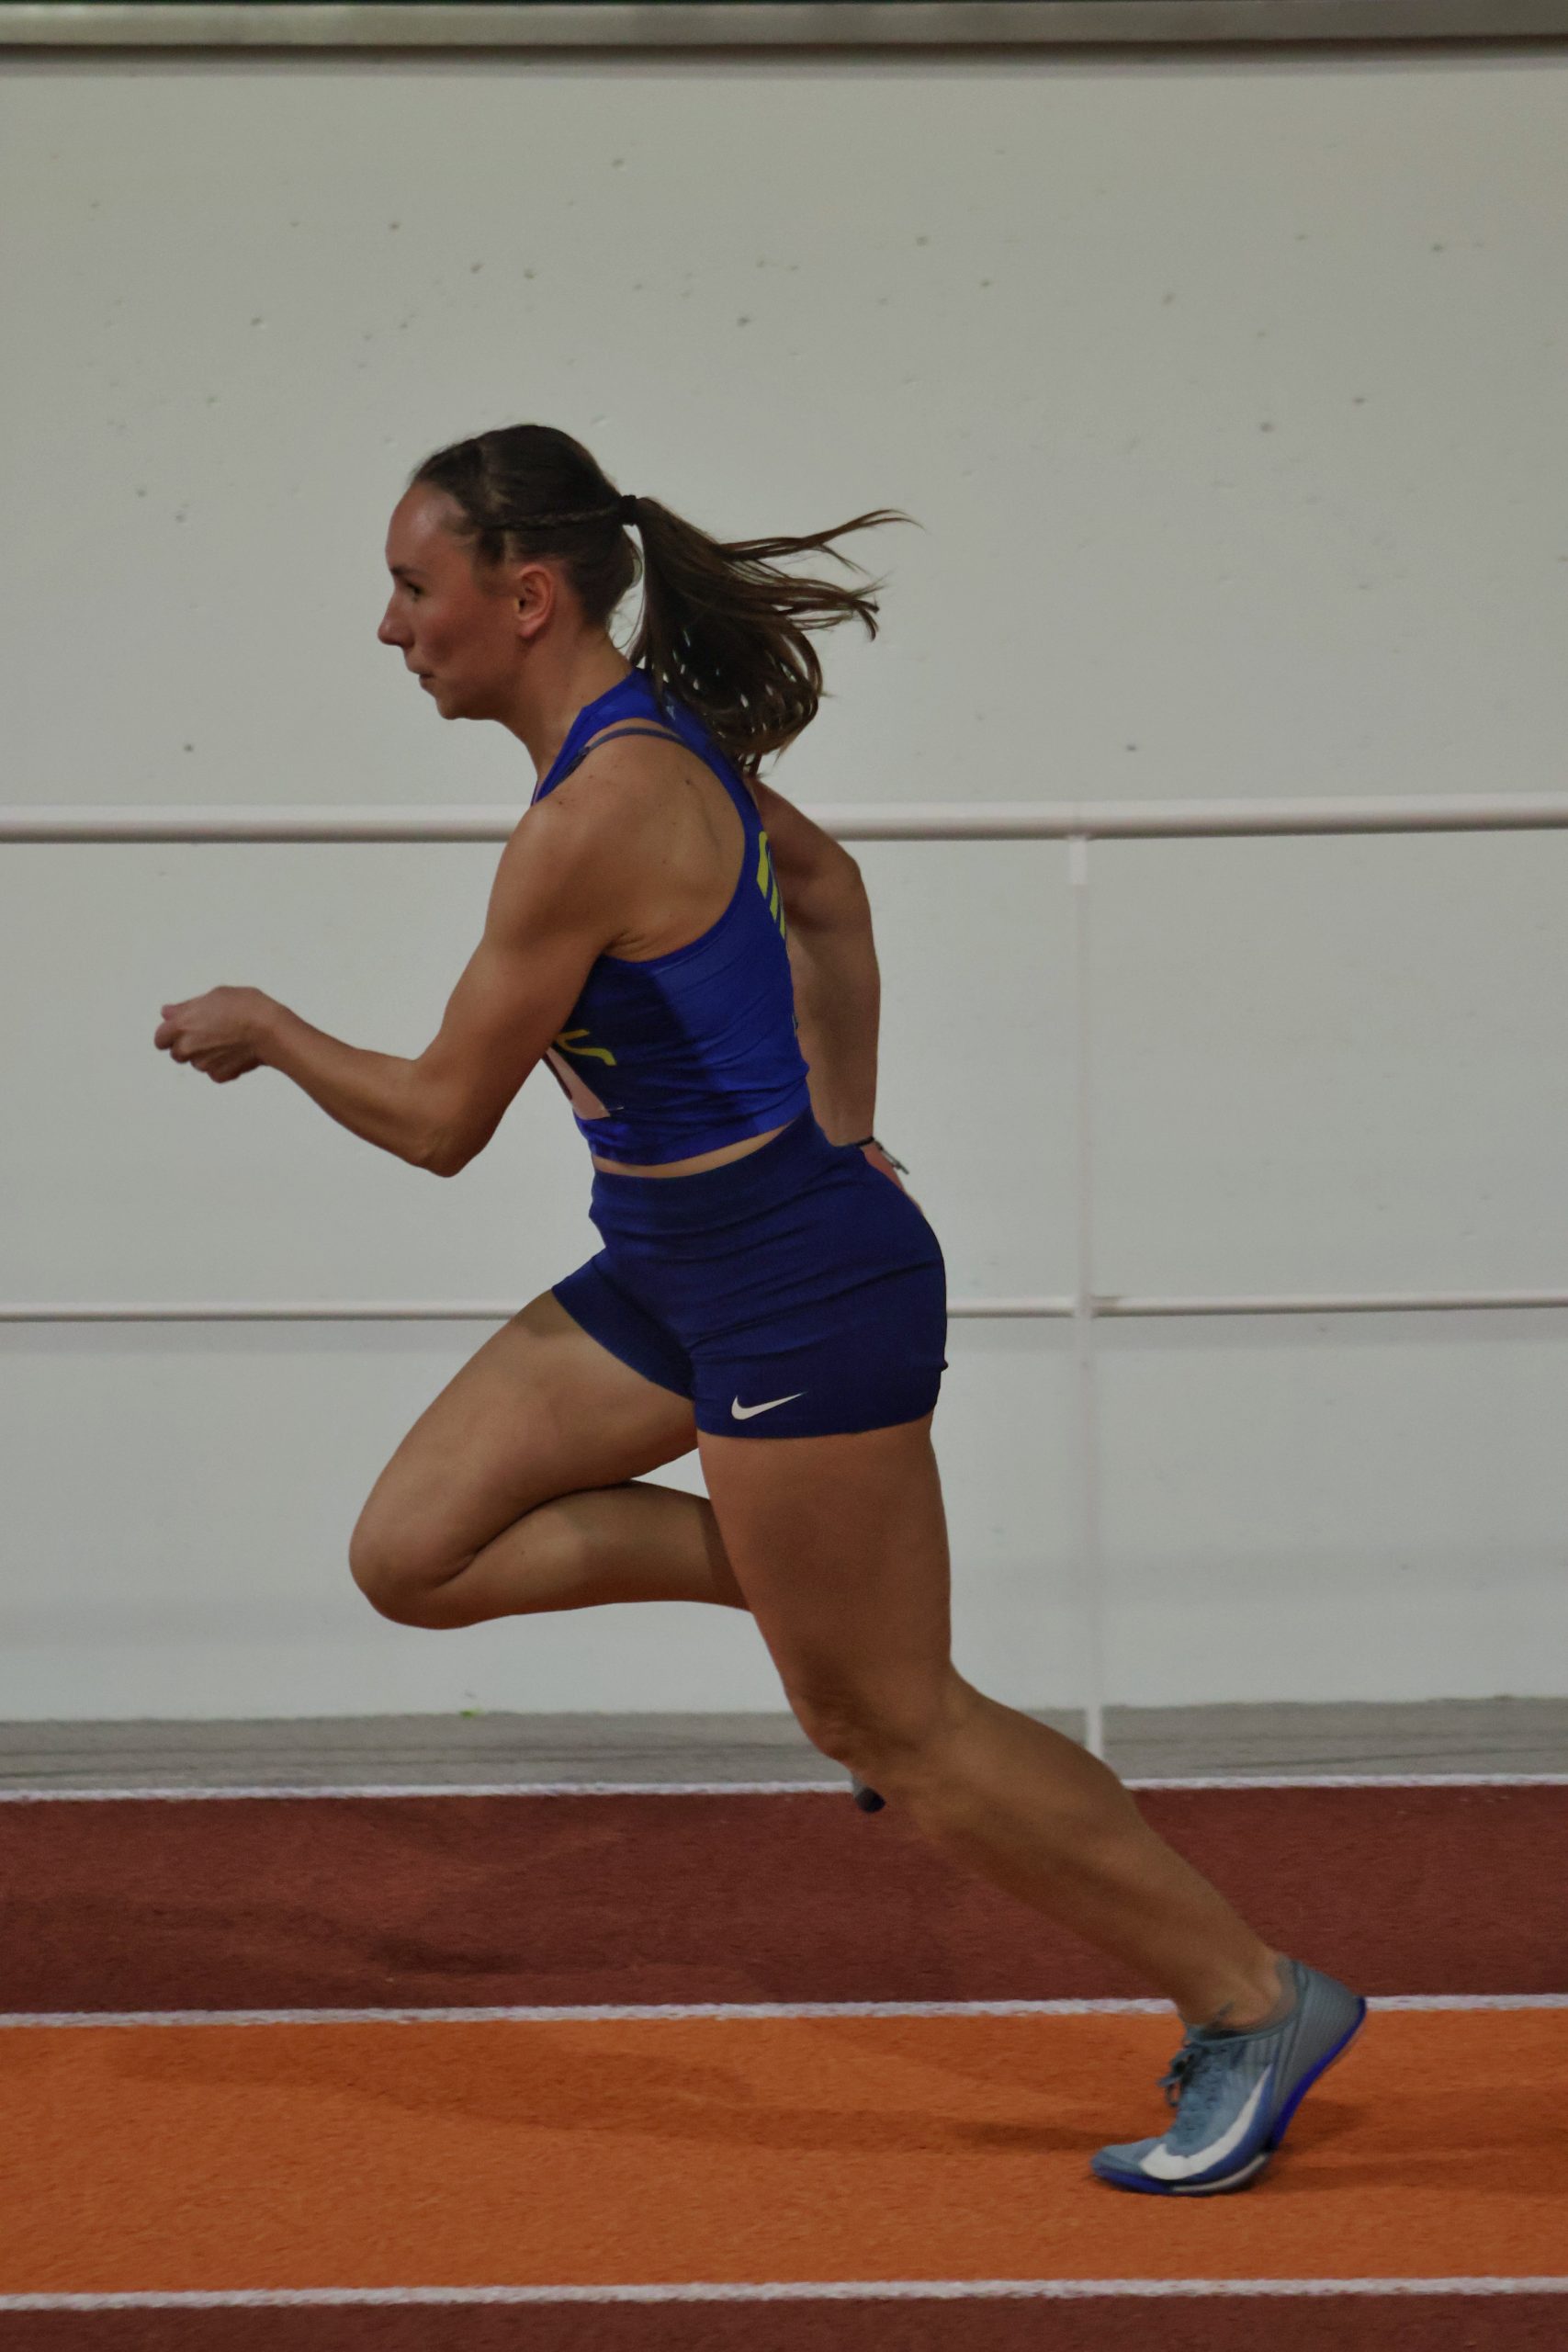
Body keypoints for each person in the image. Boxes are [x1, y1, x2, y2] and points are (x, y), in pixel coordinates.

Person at [153, 422, 1364, 2194]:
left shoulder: (592, 815)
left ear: (526, 595)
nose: (392, 626)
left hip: (797, 1291)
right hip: (670, 1269)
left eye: (413, 588)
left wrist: (268, 1027)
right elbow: (832, 895)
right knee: (413, 1553)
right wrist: (847, 1122)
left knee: (899, 1731)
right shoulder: (656, 745)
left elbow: (436, 1123)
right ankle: (802, 1594)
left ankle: (1253, 1998)